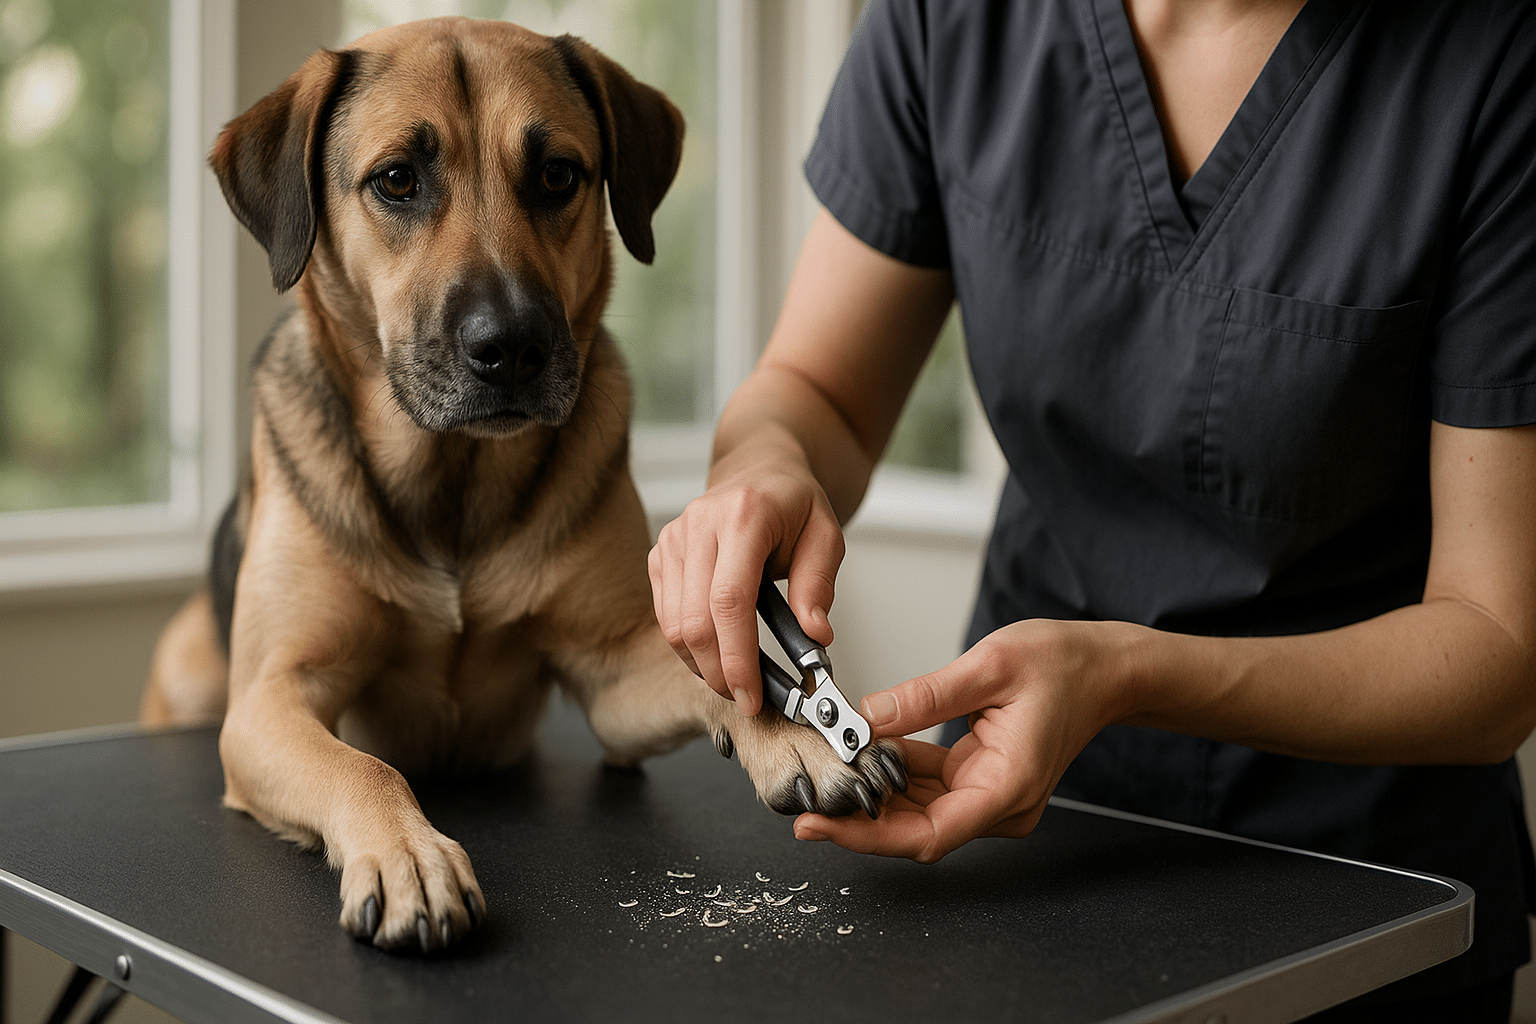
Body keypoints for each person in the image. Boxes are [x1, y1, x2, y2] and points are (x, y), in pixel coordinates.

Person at [647, 0, 1536, 1018]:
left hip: (1370, 897)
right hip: (1024, 863)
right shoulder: (952, 24)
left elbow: (1498, 649)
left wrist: (1120, 673)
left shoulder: (1494, 62)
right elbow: (820, 390)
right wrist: (760, 468)